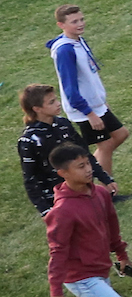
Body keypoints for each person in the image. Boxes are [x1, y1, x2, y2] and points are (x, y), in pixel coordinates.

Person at [43, 143, 132, 297]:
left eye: (88, 163)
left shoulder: (101, 194)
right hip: (79, 276)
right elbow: (57, 252)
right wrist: (56, 290)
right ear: (63, 173)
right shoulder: (62, 211)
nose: (88, 170)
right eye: (80, 166)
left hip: (98, 269)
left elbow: (112, 228)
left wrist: (121, 254)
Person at [48, 5, 126, 178]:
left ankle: (91, 169)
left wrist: (100, 100)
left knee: (121, 134)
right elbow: (70, 88)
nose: (80, 24)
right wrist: (90, 114)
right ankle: (107, 188)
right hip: (84, 109)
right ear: (61, 25)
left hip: (95, 103)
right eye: (74, 21)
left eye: (81, 19)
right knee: (104, 146)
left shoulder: (78, 41)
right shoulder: (65, 50)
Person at [19, 85, 77, 216]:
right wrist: (45, 210)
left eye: (56, 99)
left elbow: (84, 153)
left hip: (80, 188)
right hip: (57, 199)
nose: (58, 104)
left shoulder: (63, 124)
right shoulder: (29, 140)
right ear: (37, 109)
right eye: (52, 102)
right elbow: (30, 178)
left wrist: (105, 179)